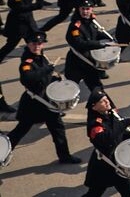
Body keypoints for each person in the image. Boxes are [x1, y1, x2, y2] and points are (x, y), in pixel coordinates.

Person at [8, 31, 79, 163]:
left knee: (58, 129)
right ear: (28, 45)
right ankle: (2, 152)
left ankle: (64, 156)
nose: (36, 46)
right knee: (20, 131)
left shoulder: (42, 57)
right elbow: (28, 78)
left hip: (47, 102)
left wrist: (54, 78)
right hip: (33, 103)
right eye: (33, 44)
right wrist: (47, 71)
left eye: (39, 44)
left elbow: (45, 78)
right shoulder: (26, 63)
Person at [83, 88, 130, 197]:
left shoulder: (110, 113)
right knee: (94, 193)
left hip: (117, 160)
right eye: (102, 101)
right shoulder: (95, 124)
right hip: (104, 164)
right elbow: (106, 139)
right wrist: (122, 125)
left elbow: (120, 133)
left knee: (128, 190)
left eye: (106, 99)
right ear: (94, 107)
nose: (107, 101)